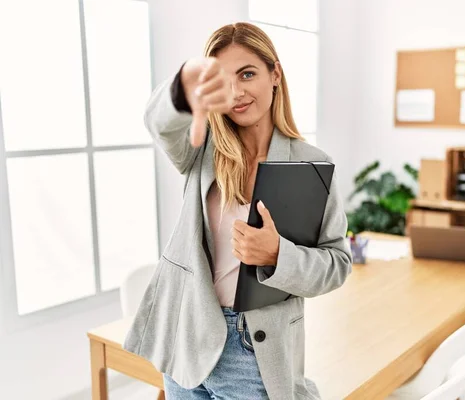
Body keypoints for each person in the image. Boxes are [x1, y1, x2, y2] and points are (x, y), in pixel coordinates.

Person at [123, 22, 352, 400]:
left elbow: (337, 264)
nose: (236, 92)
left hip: (255, 350)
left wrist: (278, 255)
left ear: (274, 74)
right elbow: (158, 123)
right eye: (224, 80)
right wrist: (184, 84)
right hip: (189, 337)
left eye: (247, 74)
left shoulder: (312, 165)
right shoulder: (202, 149)